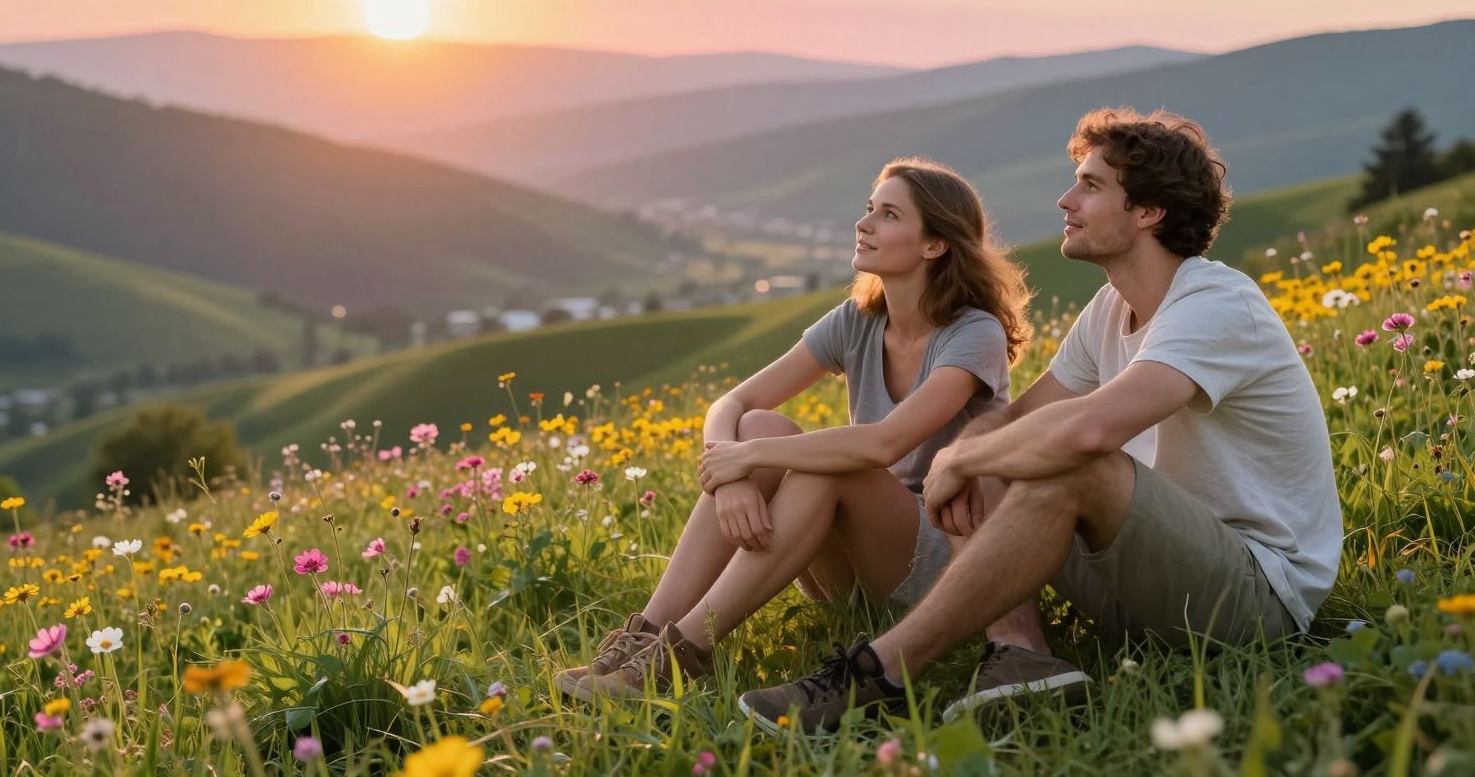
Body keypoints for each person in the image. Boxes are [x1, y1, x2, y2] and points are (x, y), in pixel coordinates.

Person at [739, 108, 1343, 733]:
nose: (1065, 199)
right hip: (1142, 578)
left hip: (1253, 593)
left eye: (1090, 185)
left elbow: (1088, 433)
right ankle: (1024, 657)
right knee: (1005, 446)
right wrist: (975, 453)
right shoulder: (1110, 309)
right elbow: (1014, 420)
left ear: (1148, 212)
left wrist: (957, 458)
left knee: (1064, 459)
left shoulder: (1216, 304)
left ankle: (878, 673)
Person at [556, 157, 1031, 701]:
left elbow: (885, 443)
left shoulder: (975, 333)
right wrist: (733, 474)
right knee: (760, 422)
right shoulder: (857, 320)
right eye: (868, 209)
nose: (866, 224)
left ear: (935, 244)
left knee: (823, 465)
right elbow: (732, 402)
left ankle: (681, 656)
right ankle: (643, 641)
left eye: (889, 215)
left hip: (939, 559)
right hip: (844, 563)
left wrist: (751, 455)